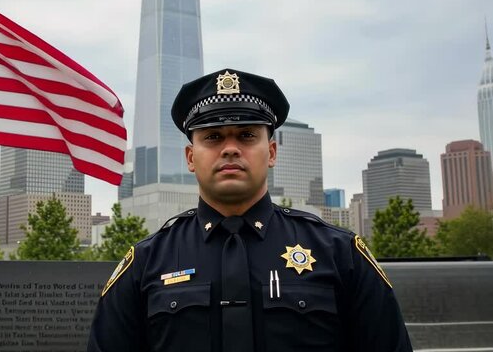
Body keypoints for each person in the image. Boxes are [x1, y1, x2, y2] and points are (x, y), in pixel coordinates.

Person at [87, 68, 413, 352]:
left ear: (271, 152)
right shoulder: (146, 263)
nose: (230, 148)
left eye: (246, 135)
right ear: (190, 157)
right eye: (213, 137)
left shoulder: (340, 254)